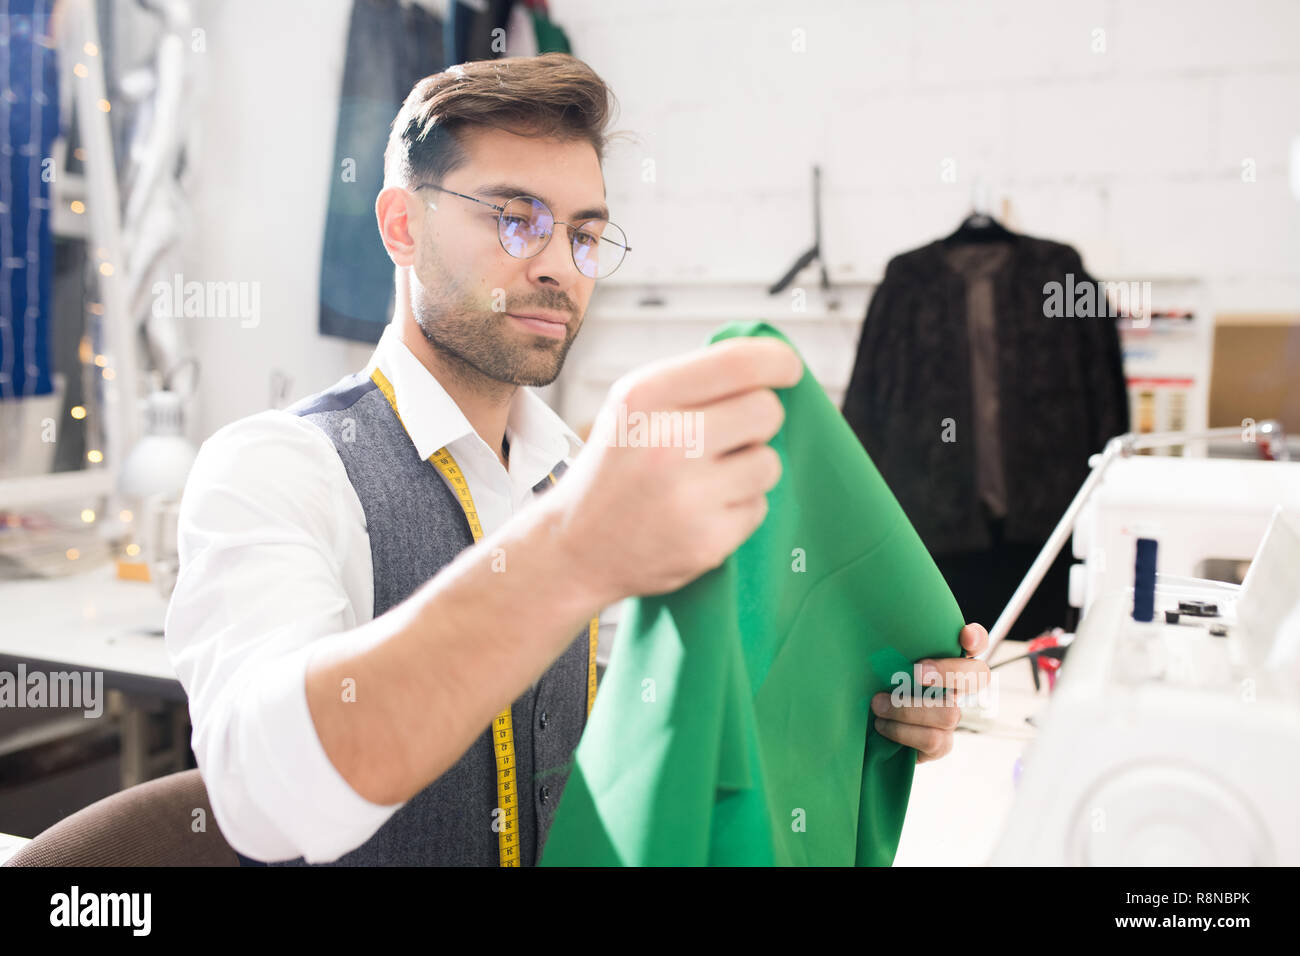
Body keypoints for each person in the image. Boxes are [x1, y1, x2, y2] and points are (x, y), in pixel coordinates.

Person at [164, 52, 990, 866]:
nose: (559, 265)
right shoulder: (277, 469)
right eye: (513, 217)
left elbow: (678, 727)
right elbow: (261, 797)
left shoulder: (574, 472)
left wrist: (860, 701)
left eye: (585, 233)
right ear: (401, 225)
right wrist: (575, 549)